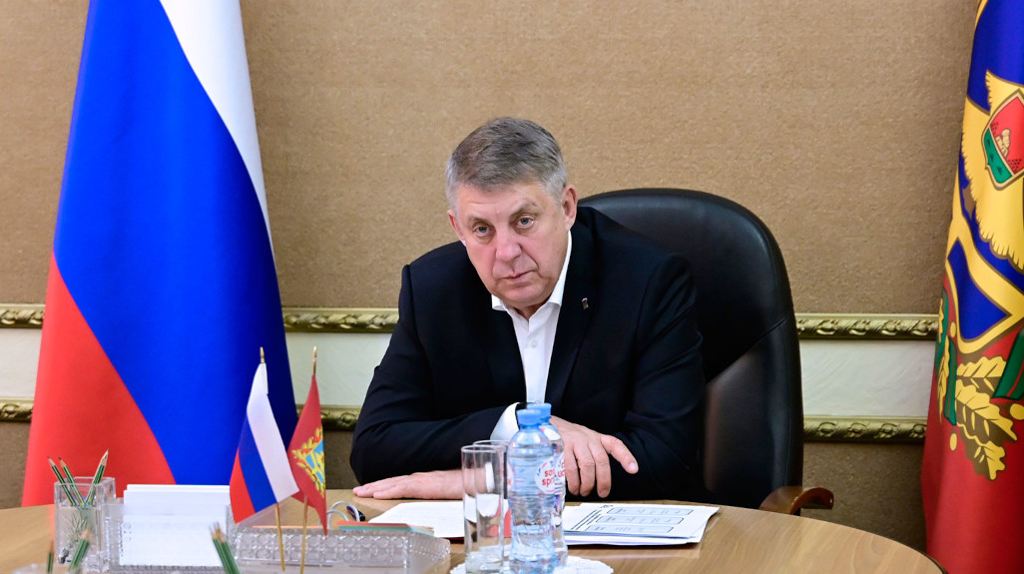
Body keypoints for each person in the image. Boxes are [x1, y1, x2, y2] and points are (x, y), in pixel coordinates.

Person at [350, 118, 704, 501]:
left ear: (567, 208)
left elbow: (665, 457)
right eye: (482, 229)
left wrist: (479, 480)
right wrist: (515, 423)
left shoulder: (647, 282)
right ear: (458, 228)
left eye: (524, 221)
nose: (506, 252)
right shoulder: (433, 290)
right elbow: (373, 448)